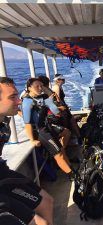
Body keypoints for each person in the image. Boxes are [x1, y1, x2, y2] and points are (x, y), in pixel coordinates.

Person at [0, 77, 54, 225]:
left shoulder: (4, 121)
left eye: (17, 95)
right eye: (12, 97)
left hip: (3, 173)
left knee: (47, 201)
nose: (19, 101)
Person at [22, 78, 76, 180]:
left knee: (60, 149)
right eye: (36, 86)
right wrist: (32, 140)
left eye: (41, 86)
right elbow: (27, 123)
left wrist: (45, 90)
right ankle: (72, 176)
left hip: (47, 127)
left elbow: (56, 111)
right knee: (58, 154)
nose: (39, 88)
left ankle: (70, 168)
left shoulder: (42, 98)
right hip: (39, 131)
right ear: (29, 88)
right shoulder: (27, 102)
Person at [50, 74, 82, 144]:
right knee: (71, 121)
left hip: (64, 107)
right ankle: (78, 138)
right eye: (62, 79)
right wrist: (63, 108)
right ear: (58, 80)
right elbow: (57, 100)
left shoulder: (59, 87)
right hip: (62, 109)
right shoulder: (56, 87)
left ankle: (78, 136)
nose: (64, 80)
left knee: (72, 120)